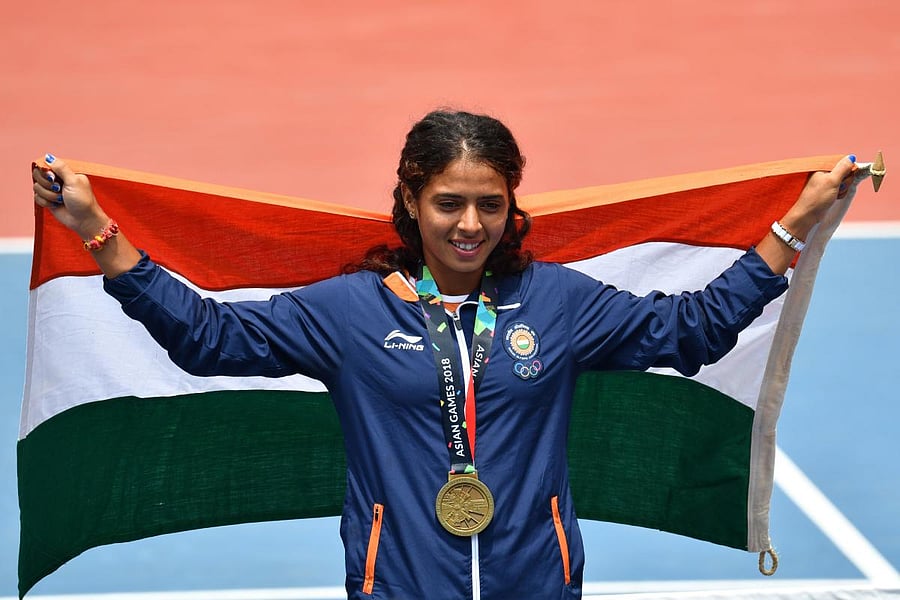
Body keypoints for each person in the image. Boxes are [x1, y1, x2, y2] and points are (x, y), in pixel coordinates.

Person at [32, 110, 856, 599]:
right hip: (397, 582)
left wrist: (793, 225)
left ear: (511, 204)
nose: (470, 225)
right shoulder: (349, 311)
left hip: (539, 579)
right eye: (449, 202)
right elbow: (208, 338)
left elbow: (693, 331)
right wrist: (98, 233)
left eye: (490, 204)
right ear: (410, 199)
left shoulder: (557, 302)